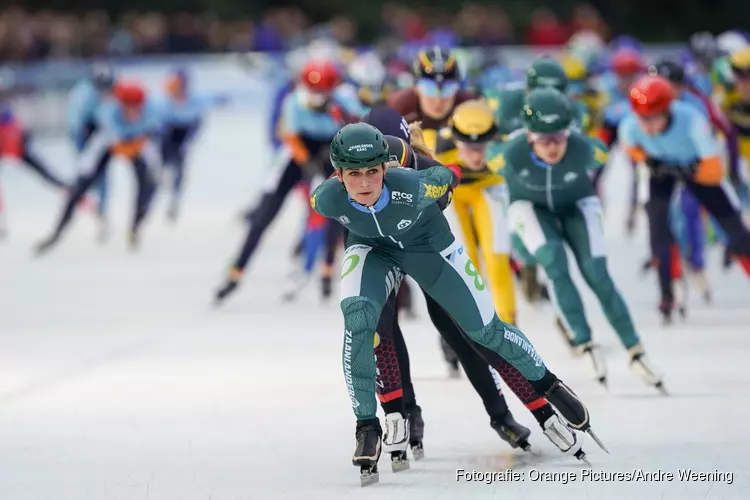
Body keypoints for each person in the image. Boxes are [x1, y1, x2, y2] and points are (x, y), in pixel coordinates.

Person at [310, 121, 604, 486]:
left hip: (430, 251)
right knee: (358, 321)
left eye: (374, 171)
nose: (366, 183)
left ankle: (549, 386)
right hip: (375, 251)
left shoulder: (414, 186)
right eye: (354, 174)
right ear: (338, 174)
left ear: (388, 167)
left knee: (486, 331)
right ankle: (366, 426)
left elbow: (450, 174)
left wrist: (430, 165)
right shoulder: (325, 198)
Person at [492, 87, 665, 390]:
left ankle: (635, 349)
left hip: (576, 205)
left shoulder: (586, 149)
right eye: (545, 140)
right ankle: (583, 341)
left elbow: (625, 148)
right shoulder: (509, 153)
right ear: (530, 135)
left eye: (560, 137)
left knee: (597, 274)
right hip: (531, 208)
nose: (554, 147)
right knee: (555, 262)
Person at [214, 59, 365, 304]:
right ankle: (237, 270)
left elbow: (359, 123)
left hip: (332, 151)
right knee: (266, 213)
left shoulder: (343, 99)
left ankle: (327, 267)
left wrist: (342, 116)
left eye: (322, 91)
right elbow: (291, 137)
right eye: (312, 90)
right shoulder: (293, 101)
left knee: (341, 208)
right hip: (298, 154)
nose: (316, 96)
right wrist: (307, 163)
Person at [619, 75, 750, 320]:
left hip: (698, 168)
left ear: (668, 110)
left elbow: (715, 169)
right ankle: (666, 293)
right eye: (642, 118)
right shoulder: (630, 125)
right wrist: (647, 159)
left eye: (653, 118)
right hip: (659, 170)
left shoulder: (692, 120)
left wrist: (691, 170)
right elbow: (630, 149)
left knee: (735, 229)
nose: (646, 126)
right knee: (657, 229)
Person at [35, 80, 161, 254]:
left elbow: (151, 144)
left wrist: (152, 168)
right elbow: (102, 143)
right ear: (120, 104)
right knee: (79, 186)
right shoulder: (107, 112)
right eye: (127, 107)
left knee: (149, 184)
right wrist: (83, 173)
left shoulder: (152, 112)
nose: (132, 112)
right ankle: (57, 232)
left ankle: (135, 228)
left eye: (136, 107)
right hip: (108, 143)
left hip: (138, 145)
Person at [156, 68, 226, 221]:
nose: (175, 91)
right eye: (172, 87)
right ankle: (163, 178)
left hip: (187, 130)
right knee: (165, 159)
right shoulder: (162, 102)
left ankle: (174, 197)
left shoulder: (194, 99)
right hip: (168, 130)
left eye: (178, 86)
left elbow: (210, 100)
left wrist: (221, 100)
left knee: (179, 162)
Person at [67, 64, 116, 241]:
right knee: (86, 177)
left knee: (102, 176)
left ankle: (102, 211)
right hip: (85, 136)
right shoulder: (82, 94)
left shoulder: (113, 90)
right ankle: (88, 209)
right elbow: (75, 124)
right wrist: (80, 148)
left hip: (103, 136)